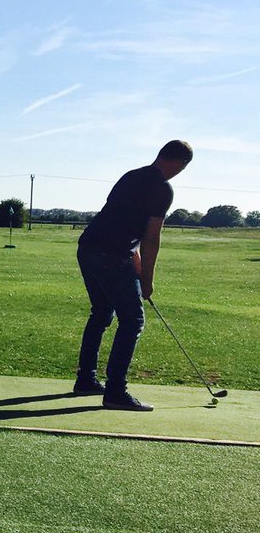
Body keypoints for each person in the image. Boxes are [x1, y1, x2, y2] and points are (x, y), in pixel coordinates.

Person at [74, 140, 193, 411]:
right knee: (133, 321)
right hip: (111, 256)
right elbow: (151, 236)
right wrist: (147, 280)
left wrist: (135, 261)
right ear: (179, 163)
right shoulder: (163, 189)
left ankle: (86, 380)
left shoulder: (131, 176)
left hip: (88, 248)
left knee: (102, 313)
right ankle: (116, 392)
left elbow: (123, 224)